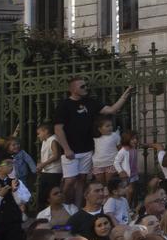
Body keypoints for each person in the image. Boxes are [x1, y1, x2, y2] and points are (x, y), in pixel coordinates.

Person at [53, 75, 132, 205]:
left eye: (86, 85)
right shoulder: (64, 105)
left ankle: (77, 208)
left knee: (82, 180)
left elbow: (112, 109)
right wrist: (66, 148)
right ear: (73, 89)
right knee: (70, 180)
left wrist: (125, 95)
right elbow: (58, 129)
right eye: (82, 86)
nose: (86, 88)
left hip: (87, 149)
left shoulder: (90, 102)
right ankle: (61, 205)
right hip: (71, 150)